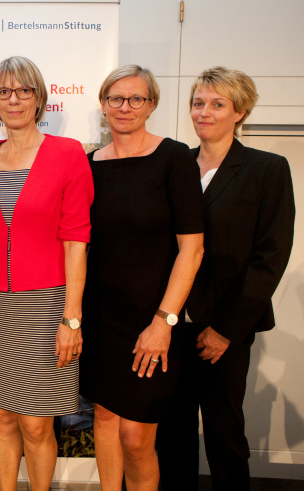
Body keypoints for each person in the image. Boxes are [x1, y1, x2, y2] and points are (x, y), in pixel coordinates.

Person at [156, 67, 295, 491]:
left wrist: (225, 330)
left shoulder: (266, 169)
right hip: (171, 326)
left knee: (224, 435)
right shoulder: (176, 163)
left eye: (217, 104)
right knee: (171, 436)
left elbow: (269, 258)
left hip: (225, 329)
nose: (204, 112)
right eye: (198, 103)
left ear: (241, 112)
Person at [0, 55, 93, 491]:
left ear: (39, 98)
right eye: (3, 91)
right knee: (1, 414)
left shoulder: (68, 153)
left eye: (23, 90)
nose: (13, 99)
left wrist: (71, 318)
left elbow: (77, 241)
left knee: (37, 424)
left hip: (47, 304)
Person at [80, 65, 205, 491]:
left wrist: (164, 322)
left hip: (152, 319)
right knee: (104, 419)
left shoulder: (174, 159)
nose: (125, 107)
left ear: (151, 105)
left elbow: (193, 249)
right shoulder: (88, 165)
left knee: (136, 438)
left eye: (136, 99)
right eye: (116, 98)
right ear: (103, 104)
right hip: (100, 318)